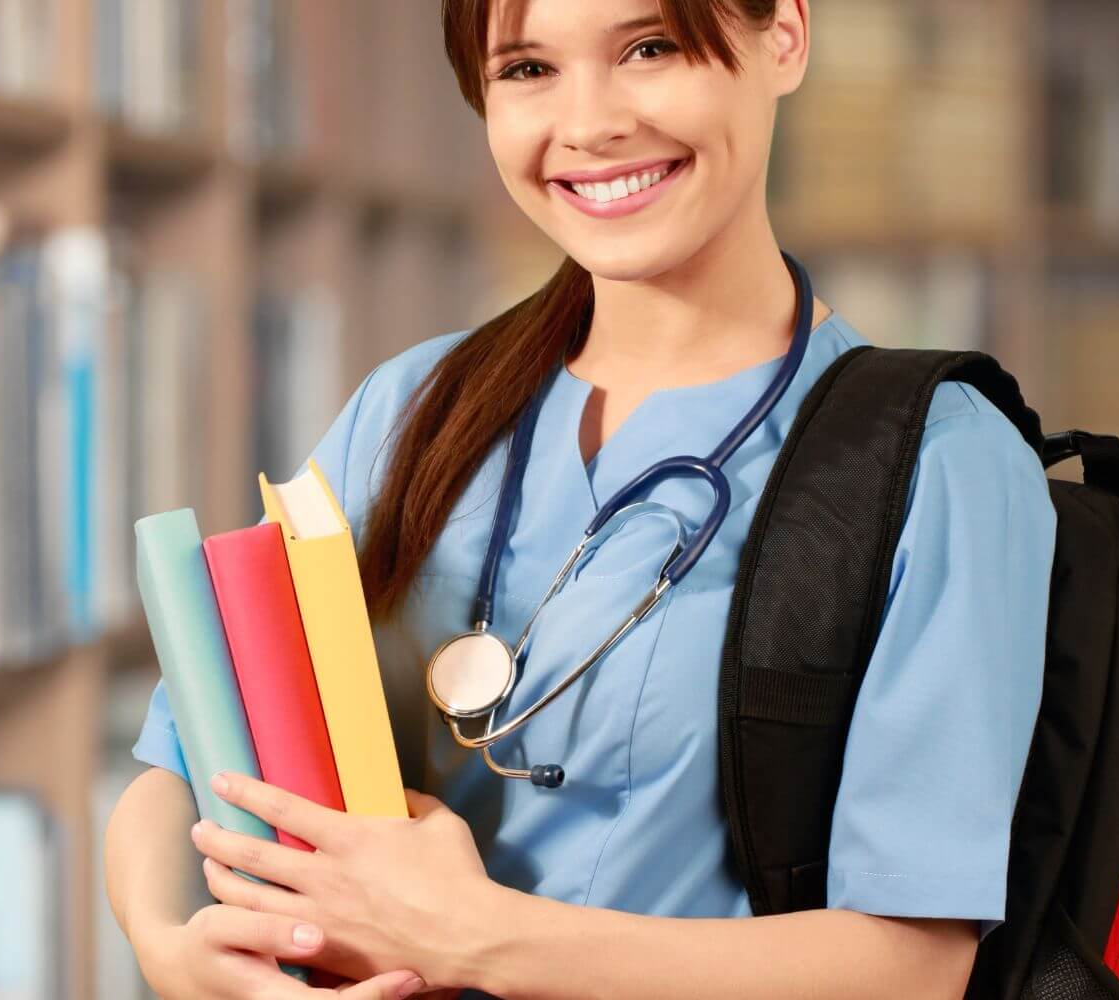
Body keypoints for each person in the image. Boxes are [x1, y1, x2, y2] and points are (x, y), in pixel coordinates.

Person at [103, 1, 1057, 997]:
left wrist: (474, 936)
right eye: (526, 70)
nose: (589, 122)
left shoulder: (942, 461)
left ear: (783, 37)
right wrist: (172, 948)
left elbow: (908, 972)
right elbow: (183, 757)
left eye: (650, 48)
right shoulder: (411, 406)